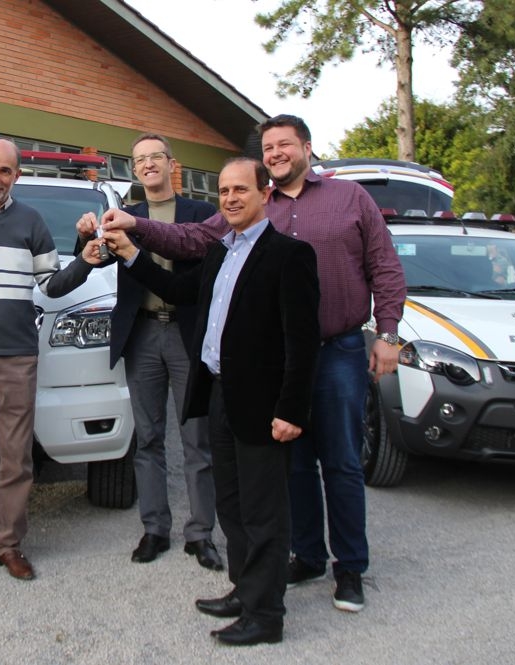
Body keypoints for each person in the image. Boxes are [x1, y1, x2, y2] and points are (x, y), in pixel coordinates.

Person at [99, 114, 407, 613]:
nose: (277, 152)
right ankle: (305, 555)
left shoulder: (349, 199)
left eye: (285, 144)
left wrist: (388, 333)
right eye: (269, 146)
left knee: (342, 462)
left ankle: (349, 567)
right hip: (271, 366)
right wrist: (136, 229)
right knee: (294, 466)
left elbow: (385, 265)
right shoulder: (236, 222)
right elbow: (190, 242)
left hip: (336, 351)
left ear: (307, 147)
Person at [104, 157, 320, 645]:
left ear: (265, 194)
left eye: (241, 190)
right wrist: (131, 253)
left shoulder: (290, 255)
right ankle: (245, 591)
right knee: (232, 504)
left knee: (264, 512)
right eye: (223, 191)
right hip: (220, 394)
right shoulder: (220, 252)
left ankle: (266, 616)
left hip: (265, 405)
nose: (230, 199)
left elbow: (302, 343)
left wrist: (291, 411)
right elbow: (180, 290)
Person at [0, 138, 102, 584]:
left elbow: (49, 285)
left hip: (16, 356)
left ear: (17, 175)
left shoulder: (31, 221)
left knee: (15, 456)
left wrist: (85, 262)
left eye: (5, 171)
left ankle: (9, 544)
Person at [75, 134, 221, 569]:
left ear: (171, 164)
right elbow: (96, 257)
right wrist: (84, 231)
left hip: (186, 333)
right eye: (141, 159)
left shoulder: (202, 215)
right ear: (135, 170)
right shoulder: (123, 215)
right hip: (142, 335)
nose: (149, 164)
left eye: (156, 156)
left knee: (197, 439)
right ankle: (154, 528)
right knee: (148, 437)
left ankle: (201, 534)